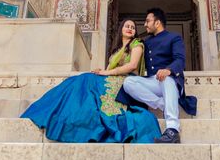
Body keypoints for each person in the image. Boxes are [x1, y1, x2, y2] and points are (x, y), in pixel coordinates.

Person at [20, 18, 161, 143]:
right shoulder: (116, 50)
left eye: (133, 27)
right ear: (121, 29)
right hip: (112, 79)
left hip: (126, 82)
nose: (130, 29)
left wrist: (106, 72)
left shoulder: (136, 44)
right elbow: (109, 71)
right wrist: (102, 72)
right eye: (127, 26)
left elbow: (132, 65)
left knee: (86, 81)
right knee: (78, 81)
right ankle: (52, 112)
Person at [117, 8, 197, 144]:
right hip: (153, 82)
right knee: (128, 82)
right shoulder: (146, 43)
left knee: (166, 80)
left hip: (171, 81)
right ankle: (163, 105)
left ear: (158, 22)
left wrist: (168, 70)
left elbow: (180, 60)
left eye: (148, 21)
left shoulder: (174, 37)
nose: (145, 25)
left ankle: (172, 130)